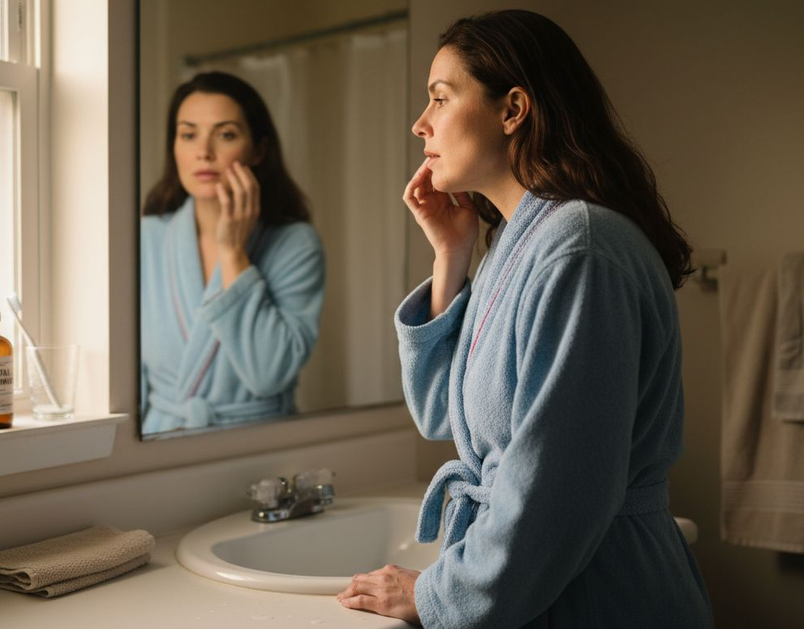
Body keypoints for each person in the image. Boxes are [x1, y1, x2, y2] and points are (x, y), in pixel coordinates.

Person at [336, 10, 713, 627]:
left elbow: (558, 491)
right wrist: (451, 256)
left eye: (440, 98)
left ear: (513, 109)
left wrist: (438, 595)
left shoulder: (579, 250)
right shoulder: (521, 244)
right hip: (554, 583)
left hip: (603, 595)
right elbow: (440, 414)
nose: (420, 123)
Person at [140, 71, 324, 434]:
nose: (203, 152)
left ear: (258, 150)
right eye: (188, 134)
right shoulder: (146, 238)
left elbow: (268, 373)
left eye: (225, 135)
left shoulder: (295, 244)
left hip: (256, 444)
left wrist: (233, 251)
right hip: (160, 438)